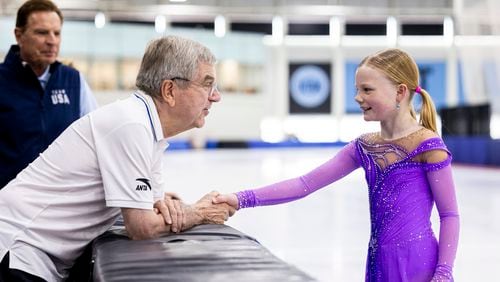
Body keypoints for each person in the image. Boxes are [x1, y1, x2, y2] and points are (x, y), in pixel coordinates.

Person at [0, 35, 234, 282]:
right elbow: (142, 227)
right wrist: (197, 212)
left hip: (33, 253)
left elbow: (155, 208)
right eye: (207, 85)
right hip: (17, 249)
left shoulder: (147, 128)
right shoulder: (131, 124)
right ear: (169, 90)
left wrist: (173, 207)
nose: (215, 96)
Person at [215, 48, 460, 281]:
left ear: (400, 92)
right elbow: (304, 184)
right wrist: (240, 198)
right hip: (378, 262)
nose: (358, 97)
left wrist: (444, 272)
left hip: (419, 264)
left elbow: (449, 215)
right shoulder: (364, 147)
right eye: (357, 89)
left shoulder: (428, 145)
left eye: (367, 89)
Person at [0, 0, 98, 188]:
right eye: (42, 32)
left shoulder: (74, 81)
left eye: (57, 33)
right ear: (19, 35)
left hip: (62, 200)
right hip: (8, 203)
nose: (52, 41)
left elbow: (98, 140)